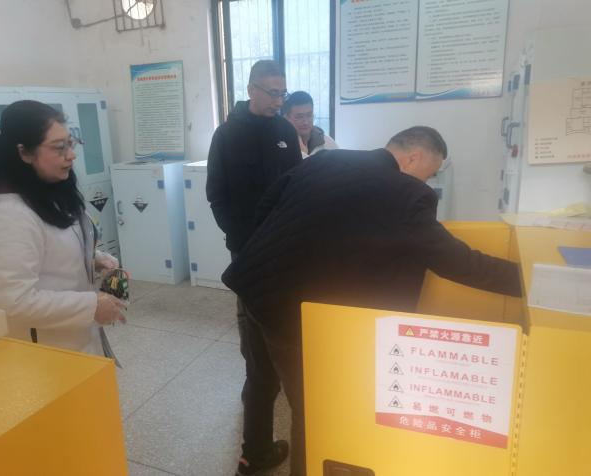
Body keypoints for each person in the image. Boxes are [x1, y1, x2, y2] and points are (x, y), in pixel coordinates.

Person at [221, 126, 523, 476]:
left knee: (260, 380)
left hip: (253, 284)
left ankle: (255, 456)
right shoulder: (409, 194)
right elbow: (456, 261)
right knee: (312, 410)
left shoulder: (326, 160)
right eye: (431, 172)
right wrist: (524, 279)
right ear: (414, 157)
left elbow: (267, 206)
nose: (428, 181)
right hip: (291, 312)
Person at [206, 60, 302, 475]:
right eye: (273, 93)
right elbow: (217, 195)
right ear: (251, 89)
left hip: (284, 253)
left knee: (282, 342)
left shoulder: (285, 132)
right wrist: (242, 240)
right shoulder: (226, 135)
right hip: (247, 254)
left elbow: (297, 187)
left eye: (283, 93)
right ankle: (256, 446)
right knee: (256, 349)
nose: (279, 101)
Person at [0, 100, 125, 356]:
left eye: (71, 143)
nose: (71, 155)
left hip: (78, 336)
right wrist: (92, 305)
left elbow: (53, 244)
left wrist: (92, 258)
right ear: (24, 153)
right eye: (59, 147)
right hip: (44, 348)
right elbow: (13, 300)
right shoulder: (5, 212)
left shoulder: (47, 188)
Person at [282, 91, 338, 158]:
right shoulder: (280, 145)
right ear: (286, 118)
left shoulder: (328, 143)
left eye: (309, 115)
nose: (306, 122)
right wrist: (302, 153)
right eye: (299, 117)